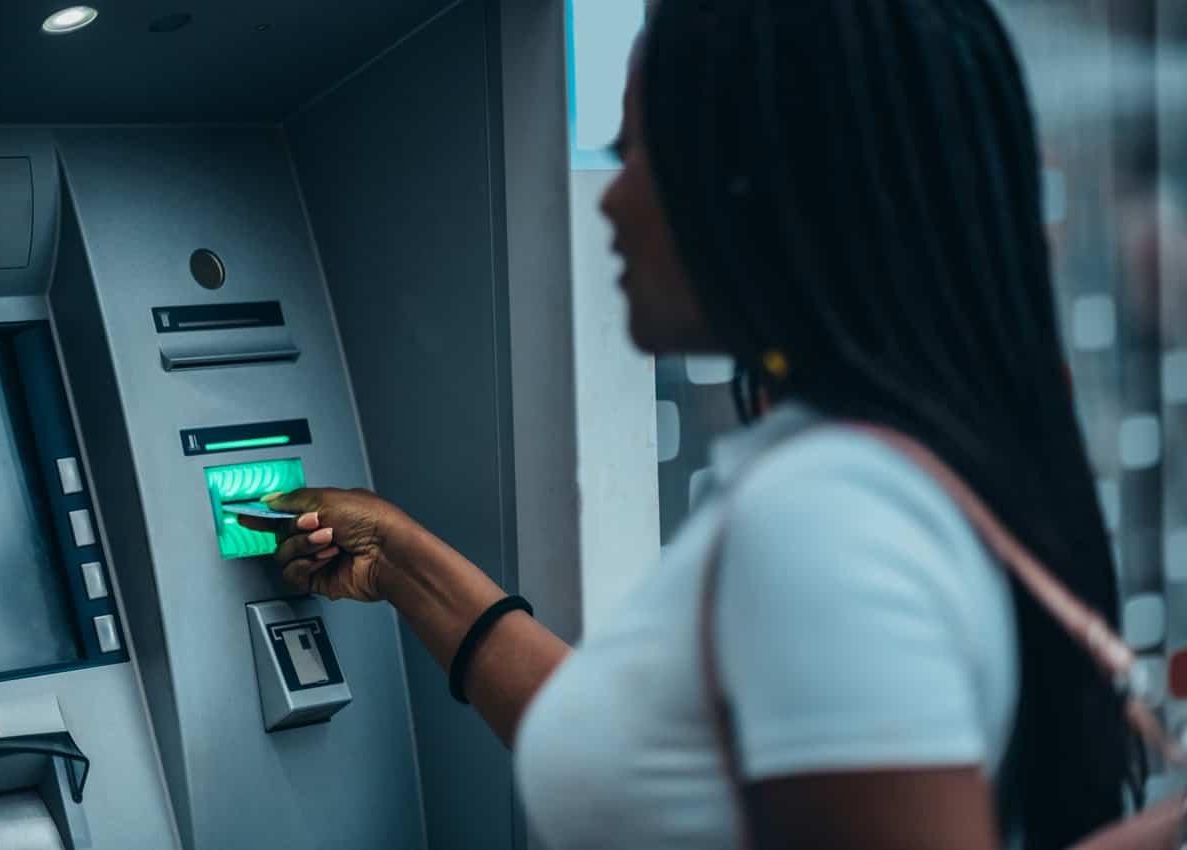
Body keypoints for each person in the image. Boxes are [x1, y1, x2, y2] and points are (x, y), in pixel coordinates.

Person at [244, 1, 1139, 847]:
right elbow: (661, 768)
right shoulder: (894, 462)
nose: (609, 197)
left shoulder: (825, 518)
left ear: (752, 185)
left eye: (634, 152)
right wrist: (403, 562)